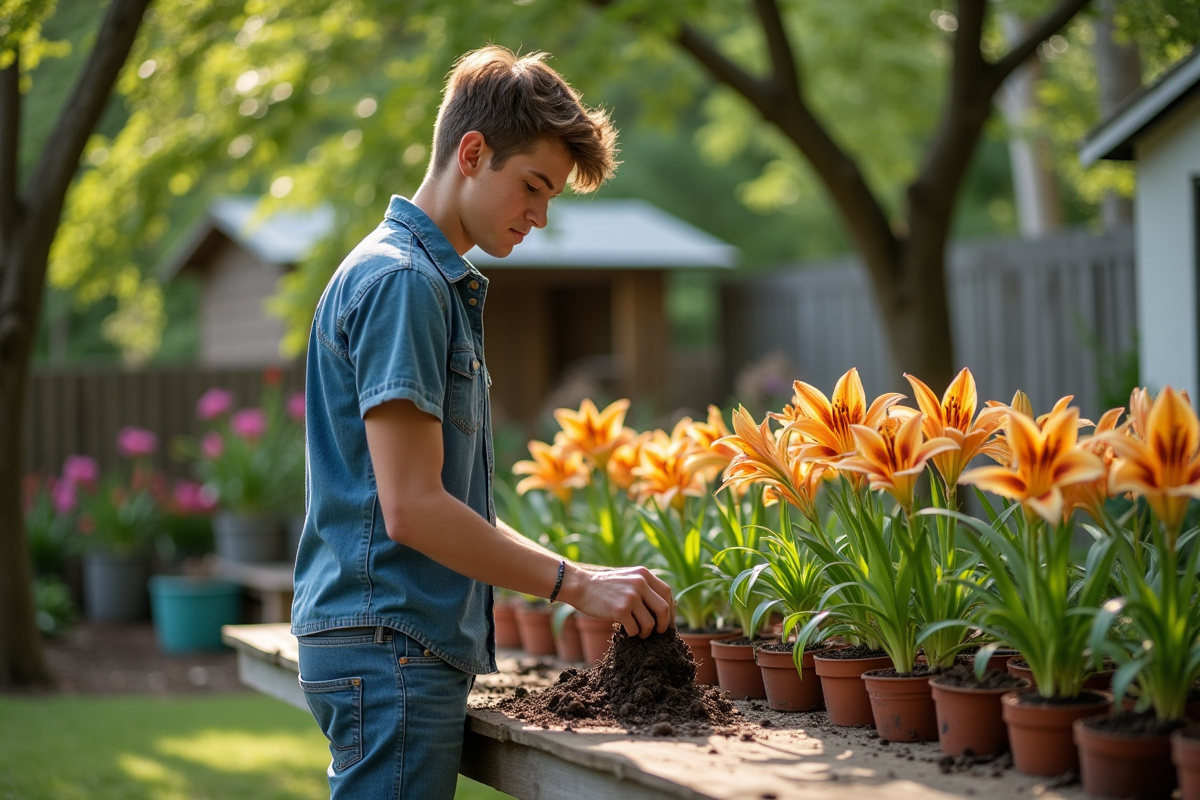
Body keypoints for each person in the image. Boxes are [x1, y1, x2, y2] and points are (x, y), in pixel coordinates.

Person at [291, 45, 676, 799]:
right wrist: (576, 585)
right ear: (471, 154)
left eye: (551, 198)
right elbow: (413, 508)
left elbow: (439, 503)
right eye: (532, 186)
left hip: (382, 640)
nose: (539, 216)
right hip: (390, 644)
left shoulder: (410, 275)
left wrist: (586, 577)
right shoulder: (405, 282)